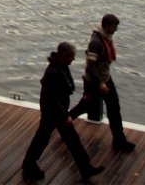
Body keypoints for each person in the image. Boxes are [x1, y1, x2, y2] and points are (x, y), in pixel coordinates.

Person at [21, 42, 105, 181]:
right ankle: (85, 168)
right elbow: (52, 98)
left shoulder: (61, 67)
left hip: (55, 111)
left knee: (52, 139)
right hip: (53, 113)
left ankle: (85, 168)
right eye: (72, 56)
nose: (73, 59)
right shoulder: (53, 72)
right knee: (54, 139)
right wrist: (64, 116)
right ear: (64, 55)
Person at [69, 13, 136, 153]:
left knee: (112, 108)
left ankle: (119, 140)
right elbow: (90, 66)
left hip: (104, 78)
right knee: (88, 105)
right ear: (106, 26)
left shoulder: (106, 37)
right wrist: (100, 84)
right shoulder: (96, 42)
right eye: (114, 26)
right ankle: (64, 122)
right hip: (95, 81)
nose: (116, 29)